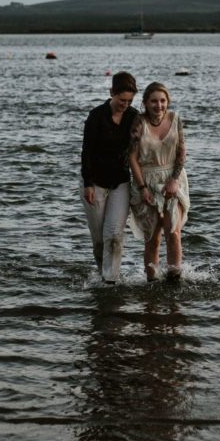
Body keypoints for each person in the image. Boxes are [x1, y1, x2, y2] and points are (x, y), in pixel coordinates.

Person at [80, 71, 139, 283]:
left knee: (114, 235)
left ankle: (110, 281)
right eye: (122, 100)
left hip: (120, 183)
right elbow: (86, 152)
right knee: (99, 240)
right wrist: (88, 184)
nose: (125, 104)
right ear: (111, 93)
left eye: (130, 100)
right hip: (94, 183)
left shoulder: (133, 116)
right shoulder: (96, 116)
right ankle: (102, 274)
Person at [128, 81, 190, 282]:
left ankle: (174, 277)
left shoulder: (175, 119)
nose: (159, 105)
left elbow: (181, 153)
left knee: (173, 231)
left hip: (173, 179)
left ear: (168, 102)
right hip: (147, 179)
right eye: (154, 101)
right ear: (145, 103)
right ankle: (152, 281)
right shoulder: (139, 123)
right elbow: (132, 158)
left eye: (163, 101)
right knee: (153, 237)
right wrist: (142, 187)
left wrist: (173, 181)